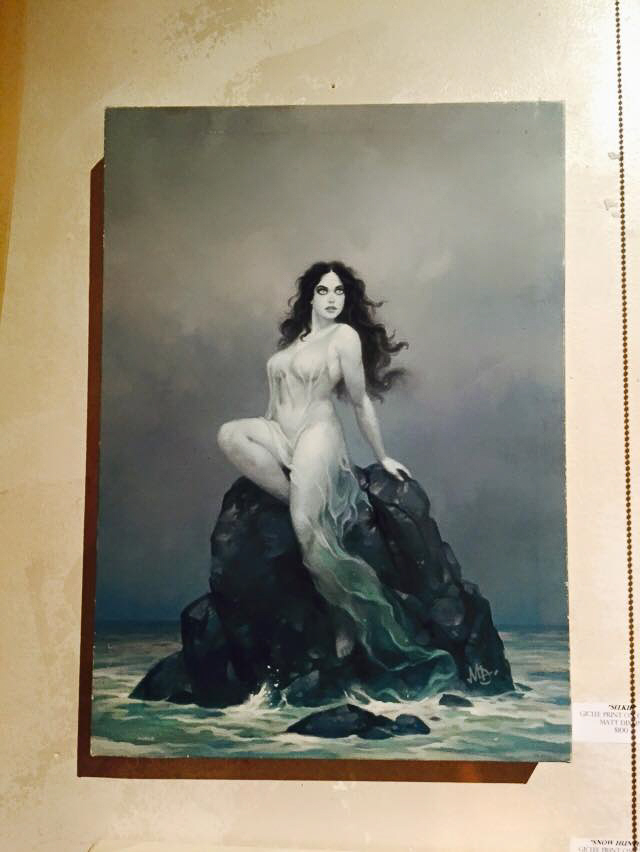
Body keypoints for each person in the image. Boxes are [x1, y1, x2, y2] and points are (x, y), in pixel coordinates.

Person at [218, 261, 456, 698]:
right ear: (310, 296)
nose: (332, 299)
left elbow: (360, 401)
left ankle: (345, 612)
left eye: (340, 292)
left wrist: (382, 457)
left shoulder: (344, 337)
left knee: (305, 526)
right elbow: (275, 402)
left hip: (317, 432)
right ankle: (300, 498)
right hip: (280, 430)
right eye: (324, 291)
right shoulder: (295, 341)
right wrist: (268, 438)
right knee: (229, 434)